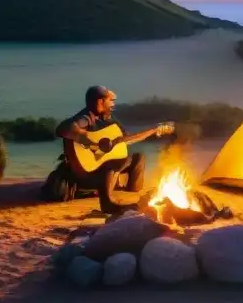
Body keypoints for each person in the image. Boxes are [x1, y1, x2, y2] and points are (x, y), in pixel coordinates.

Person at [54, 85, 166, 213]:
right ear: (100, 102)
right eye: (111, 101)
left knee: (138, 158)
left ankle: (131, 194)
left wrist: (153, 131)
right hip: (87, 174)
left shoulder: (111, 121)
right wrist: (87, 139)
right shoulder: (87, 117)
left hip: (101, 172)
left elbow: (126, 139)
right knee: (115, 162)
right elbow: (63, 128)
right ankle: (107, 204)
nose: (113, 104)